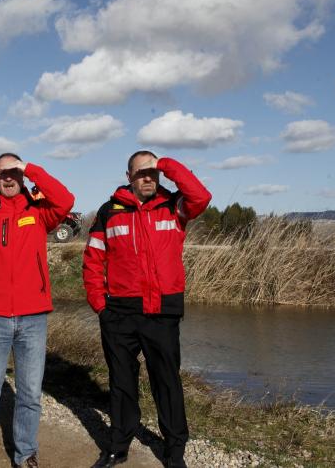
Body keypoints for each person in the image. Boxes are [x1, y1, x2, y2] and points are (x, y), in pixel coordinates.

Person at [82, 151, 211, 468]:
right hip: (119, 314)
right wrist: (100, 304)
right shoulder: (109, 211)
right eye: (142, 173)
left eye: (153, 172)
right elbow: (93, 260)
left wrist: (165, 164)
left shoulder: (176, 205)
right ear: (128, 176)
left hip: (162, 313)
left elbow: (202, 196)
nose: (148, 178)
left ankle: (175, 449)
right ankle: (117, 447)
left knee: (166, 383)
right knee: (121, 382)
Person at [0, 153, 74, 468]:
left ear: (22, 175)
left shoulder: (39, 211)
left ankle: (26, 453)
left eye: (14, 171)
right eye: (1, 173)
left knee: (30, 393)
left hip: (33, 316)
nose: (8, 177)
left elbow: (66, 201)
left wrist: (32, 169)